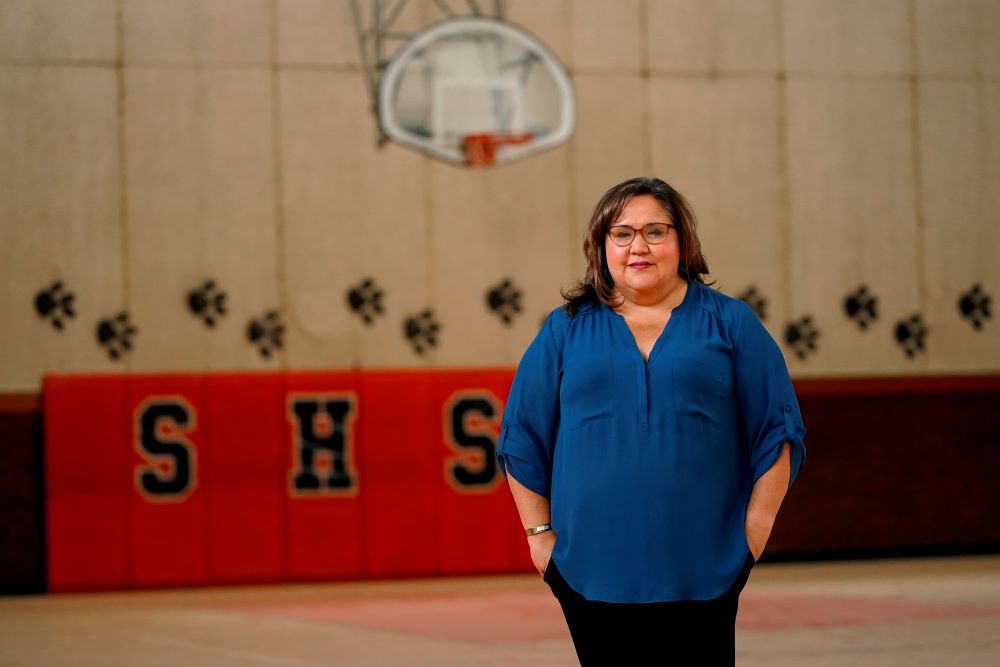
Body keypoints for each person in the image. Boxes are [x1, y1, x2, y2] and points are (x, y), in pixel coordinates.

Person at [496, 176, 806, 665]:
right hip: (588, 572)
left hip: (706, 569)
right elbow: (521, 437)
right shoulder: (566, 328)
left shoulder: (730, 323)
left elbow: (779, 429)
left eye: (655, 231)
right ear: (603, 246)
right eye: (621, 233)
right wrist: (540, 539)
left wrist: (755, 528)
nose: (638, 245)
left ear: (682, 243)